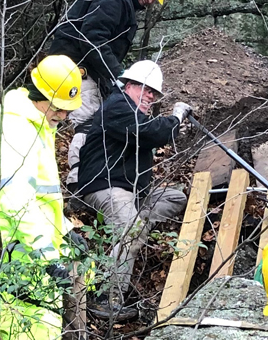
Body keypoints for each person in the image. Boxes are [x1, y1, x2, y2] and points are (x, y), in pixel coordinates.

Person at [0, 55, 88, 340]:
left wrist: (66, 232)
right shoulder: (15, 132)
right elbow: (16, 203)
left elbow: (42, 197)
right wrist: (50, 257)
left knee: (81, 272)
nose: (64, 117)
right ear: (41, 94)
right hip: (7, 245)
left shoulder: (36, 124)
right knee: (24, 334)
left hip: (34, 236)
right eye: (60, 108)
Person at [76, 60, 190, 319]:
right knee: (132, 229)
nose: (151, 97)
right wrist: (176, 117)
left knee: (175, 197)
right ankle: (106, 297)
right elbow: (150, 132)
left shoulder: (130, 110)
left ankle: (130, 231)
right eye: (147, 90)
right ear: (130, 85)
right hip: (106, 184)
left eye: (154, 93)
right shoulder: (118, 106)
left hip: (130, 190)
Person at [49, 0, 164, 185]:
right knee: (88, 124)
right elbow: (92, 38)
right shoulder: (115, 2)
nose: (151, 2)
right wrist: (117, 73)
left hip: (85, 68)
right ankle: (78, 183)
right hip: (76, 69)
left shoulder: (123, 6)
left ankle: (91, 180)